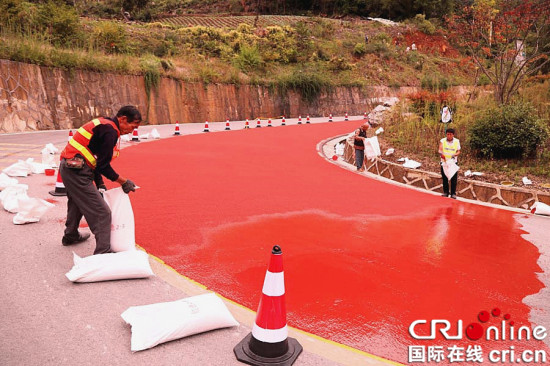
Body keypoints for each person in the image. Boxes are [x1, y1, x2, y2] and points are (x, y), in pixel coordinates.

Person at [59, 106, 141, 254]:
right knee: (102, 212)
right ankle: (103, 252)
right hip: (76, 171)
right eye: (132, 126)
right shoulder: (110, 132)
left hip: (70, 167)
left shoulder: (104, 124)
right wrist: (124, 181)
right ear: (122, 119)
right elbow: (103, 165)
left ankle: (70, 235)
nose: (132, 130)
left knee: (77, 202)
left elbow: (94, 158)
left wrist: (100, 183)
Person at [438, 128, 461, 199]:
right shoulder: (442, 140)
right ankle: (446, 192)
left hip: (453, 162)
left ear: (453, 135)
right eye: (448, 134)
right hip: (444, 162)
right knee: (445, 177)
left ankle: (453, 193)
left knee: (454, 178)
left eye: (450, 134)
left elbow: (458, 151)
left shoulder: (457, 141)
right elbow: (440, 149)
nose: (449, 136)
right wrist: (441, 153)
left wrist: (455, 155)